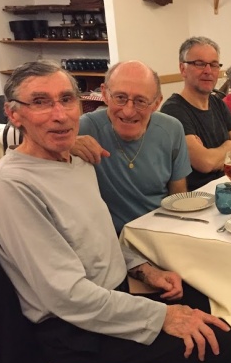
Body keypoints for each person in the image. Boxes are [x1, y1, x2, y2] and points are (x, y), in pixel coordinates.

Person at [0, 60, 231, 363]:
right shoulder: (13, 186)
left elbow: (96, 240)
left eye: (67, 99)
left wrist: (144, 269)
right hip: (76, 330)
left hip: (114, 299)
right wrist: (163, 317)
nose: (60, 114)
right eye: (40, 102)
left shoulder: (78, 160)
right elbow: (66, 297)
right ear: (14, 114)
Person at [71, 60, 191, 234]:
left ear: (157, 103)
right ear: (104, 94)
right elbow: (34, 157)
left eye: (140, 101)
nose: (128, 111)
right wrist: (66, 145)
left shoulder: (172, 129)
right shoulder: (84, 129)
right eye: (120, 98)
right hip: (111, 238)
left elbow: (177, 198)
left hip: (160, 232)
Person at [161, 36, 231, 191]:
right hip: (199, 196)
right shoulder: (173, 110)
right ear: (183, 69)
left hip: (228, 189)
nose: (208, 71)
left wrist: (217, 157)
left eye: (214, 65)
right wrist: (229, 145)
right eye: (199, 64)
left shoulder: (218, 103)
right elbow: (205, 163)